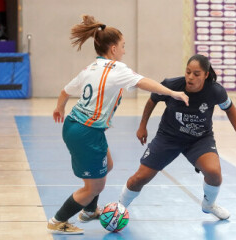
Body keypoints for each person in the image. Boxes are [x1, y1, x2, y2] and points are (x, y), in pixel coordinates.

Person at [47, 15, 189, 234]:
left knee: (108, 165)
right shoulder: (116, 68)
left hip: (76, 125)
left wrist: (59, 108)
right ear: (113, 49)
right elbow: (144, 82)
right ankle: (58, 221)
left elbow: (65, 91)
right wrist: (172, 93)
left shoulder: (92, 68)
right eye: (123, 46)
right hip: (86, 132)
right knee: (94, 186)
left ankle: (89, 211)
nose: (124, 50)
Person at [118, 54, 236, 220]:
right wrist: (142, 126)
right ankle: (118, 208)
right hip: (168, 138)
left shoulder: (215, 91)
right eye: (188, 72)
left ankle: (209, 204)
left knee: (214, 173)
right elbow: (152, 100)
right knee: (139, 178)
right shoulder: (172, 85)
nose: (190, 77)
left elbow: (230, 109)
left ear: (206, 75)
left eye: (196, 74)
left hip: (199, 140)